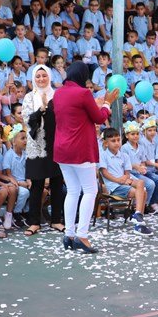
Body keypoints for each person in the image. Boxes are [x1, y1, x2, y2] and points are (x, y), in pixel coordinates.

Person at [53, 61, 119, 253]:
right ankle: (82, 235)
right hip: (80, 149)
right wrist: (107, 102)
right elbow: (99, 118)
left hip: (62, 149)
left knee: (73, 191)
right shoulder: (83, 93)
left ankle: (69, 234)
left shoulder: (58, 93)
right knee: (90, 191)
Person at [21, 64, 65, 236]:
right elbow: (27, 119)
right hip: (37, 145)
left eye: (44, 75)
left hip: (56, 143)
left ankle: (56, 220)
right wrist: (41, 110)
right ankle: (34, 223)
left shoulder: (57, 95)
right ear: (33, 78)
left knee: (56, 183)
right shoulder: (29, 98)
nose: (41, 79)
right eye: (38, 76)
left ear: (49, 76)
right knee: (37, 185)